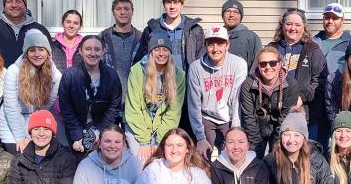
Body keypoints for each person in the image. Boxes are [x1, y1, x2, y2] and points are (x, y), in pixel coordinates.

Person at [124, 31, 186, 164]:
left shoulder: (178, 75)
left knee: (162, 163)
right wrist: (145, 142)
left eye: (165, 49)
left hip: (162, 130)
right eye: (157, 49)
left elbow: (173, 112)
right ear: (151, 52)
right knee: (140, 163)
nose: (161, 53)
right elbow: (133, 109)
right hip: (137, 129)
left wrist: (159, 141)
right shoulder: (137, 71)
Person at [0, 30, 62, 155]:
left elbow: (47, 106)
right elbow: (11, 107)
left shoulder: (56, 75)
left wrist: (35, 130)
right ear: (26, 52)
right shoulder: (13, 71)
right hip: (12, 121)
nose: (37, 54)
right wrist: (21, 137)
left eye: (41, 49)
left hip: (36, 121)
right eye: (32, 50)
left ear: (48, 52)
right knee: (20, 156)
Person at [58, 35, 122, 157]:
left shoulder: (111, 75)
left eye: (97, 49)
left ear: (103, 52)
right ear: (80, 51)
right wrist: (77, 136)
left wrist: (100, 132)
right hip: (76, 127)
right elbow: (66, 109)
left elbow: (113, 107)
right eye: (88, 49)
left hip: (102, 127)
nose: (92, 53)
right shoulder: (69, 76)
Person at [187, 26, 247, 157]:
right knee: (204, 156)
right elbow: (194, 104)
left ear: (228, 45)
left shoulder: (238, 64)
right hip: (206, 117)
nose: (215, 49)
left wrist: (235, 130)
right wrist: (200, 137)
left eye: (220, 44)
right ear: (205, 45)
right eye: (211, 44)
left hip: (228, 117)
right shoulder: (195, 68)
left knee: (229, 156)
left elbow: (237, 99)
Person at [270, 9, 325, 139]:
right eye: (289, 24)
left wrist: (302, 97)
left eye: (297, 25)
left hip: (305, 113)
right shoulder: (272, 48)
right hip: (275, 113)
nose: (292, 28)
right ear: (282, 25)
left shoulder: (313, 50)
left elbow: (319, 80)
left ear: (304, 27)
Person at [239, 46, 300, 156]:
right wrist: (256, 146)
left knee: (277, 161)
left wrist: (276, 144)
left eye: (272, 63)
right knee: (254, 162)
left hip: (279, 130)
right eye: (263, 64)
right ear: (258, 66)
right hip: (256, 130)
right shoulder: (247, 85)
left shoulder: (291, 85)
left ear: (280, 64)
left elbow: (285, 118)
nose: (268, 67)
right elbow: (248, 117)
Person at [133, 0, 205, 72]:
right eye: (168, 2)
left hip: (187, 82)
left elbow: (201, 60)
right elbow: (142, 61)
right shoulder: (151, 30)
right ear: (164, 5)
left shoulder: (194, 30)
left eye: (176, 2)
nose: (172, 7)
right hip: (158, 82)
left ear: (182, 4)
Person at [311, 3, 351, 151]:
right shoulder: (312, 43)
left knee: (338, 148)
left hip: (338, 102)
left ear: (342, 20)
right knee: (315, 147)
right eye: (327, 17)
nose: (330, 21)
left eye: (334, 18)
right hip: (315, 104)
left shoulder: (350, 44)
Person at [0, 0, 51, 66]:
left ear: (25, 6)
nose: (14, 5)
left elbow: (49, 57)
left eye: (18, 1)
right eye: (9, 2)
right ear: (4, 7)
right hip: (0, 77)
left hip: (32, 77)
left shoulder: (39, 30)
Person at [100, 0, 143, 96]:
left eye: (126, 9)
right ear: (113, 12)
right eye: (118, 9)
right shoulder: (102, 38)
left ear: (132, 12)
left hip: (136, 97)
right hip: (108, 98)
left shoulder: (142, 39)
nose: (122, 12)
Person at [221, 0, 262, 66]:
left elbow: (256, 64)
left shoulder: (251, 37)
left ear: (241, 17)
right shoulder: (216, 37)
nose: (231, 15)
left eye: (236, 12)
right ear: (223, 16)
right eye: (228, 11)